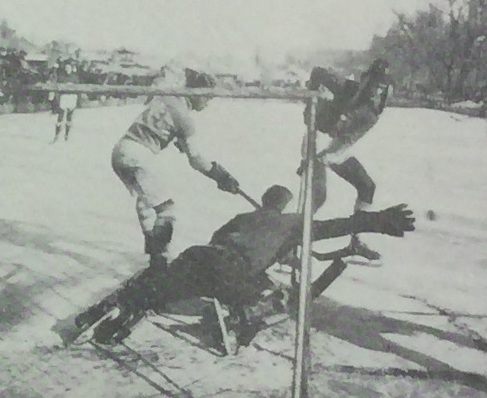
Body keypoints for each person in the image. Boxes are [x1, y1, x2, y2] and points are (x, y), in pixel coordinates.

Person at [76, 185, 415, 345]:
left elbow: (217, 238)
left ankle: (110, 310)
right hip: (232, 268)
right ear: (284, 205)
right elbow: (335, 226)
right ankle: (242, 321)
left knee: (161, 287)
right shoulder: (292, 223)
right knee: (272, 294)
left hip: (202, 254)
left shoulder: (243, 216)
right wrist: (377, 221)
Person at [111, 68, 240, 268]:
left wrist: (171, 136)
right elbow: (195, 159)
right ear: (197, 93)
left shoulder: (167, 96)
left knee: (146, 202)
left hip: (121, 150)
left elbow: (158, 119)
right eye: (207, 98)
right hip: (139, 154)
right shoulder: (186, 120)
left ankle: (153, 249)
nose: (207, 104)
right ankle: (159, 261)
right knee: (167, 210)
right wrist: (220, 175)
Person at [301, 58, 392, 262]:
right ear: (366, 81)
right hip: (319, 143)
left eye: (382, 89)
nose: (376, 93)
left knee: (367, 187)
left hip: (334, 148)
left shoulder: (370, 113)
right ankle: (288, 242)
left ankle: (356, 240)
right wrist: (312, 104)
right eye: (374, 86)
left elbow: (344, 142)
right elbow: (318, 70)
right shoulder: (351, 90)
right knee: (317, 197)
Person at [52, 62, 79, 143]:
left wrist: (77, 99)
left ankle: (66, 135)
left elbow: (78, 88)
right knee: (60, 116)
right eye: (66, 67)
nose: (67, 69)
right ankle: (56, 135)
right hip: (64, 97)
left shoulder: (75, 78)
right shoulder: (61, 77)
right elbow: (58, 86)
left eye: (69, 67)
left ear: (71, 68)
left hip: (72, 97)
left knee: (69, 117)